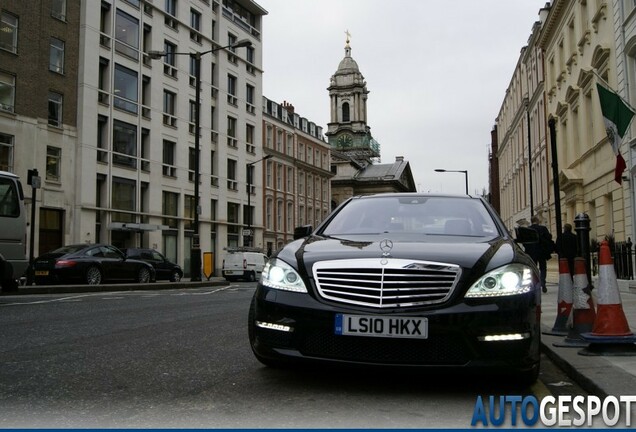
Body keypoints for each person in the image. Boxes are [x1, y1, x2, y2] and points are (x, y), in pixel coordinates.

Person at [524, 215, 554, 293]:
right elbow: (549, 238)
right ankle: (543, 282)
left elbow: (525, 242)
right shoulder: (543, 228)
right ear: (537, 221)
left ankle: (534, 283)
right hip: (542, 252)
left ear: (531, 221)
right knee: (543, 267)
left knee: (533, 268)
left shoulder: (527, 230)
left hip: (532, 252)